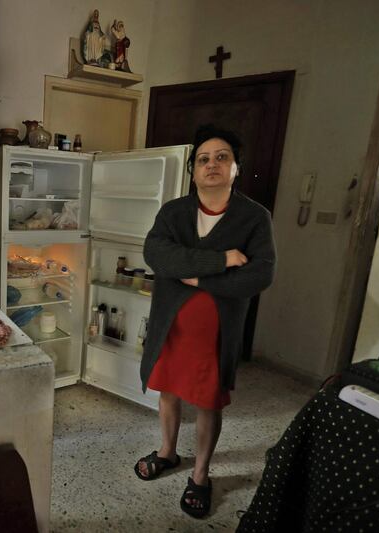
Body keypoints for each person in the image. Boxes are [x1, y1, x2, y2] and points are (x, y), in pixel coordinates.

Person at [134, 125, 276, 519]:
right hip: (171, 324)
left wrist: (195, 277)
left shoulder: (254, 218)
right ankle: (167, 452)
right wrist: (221, 260)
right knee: (168, 392)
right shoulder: (174, 212)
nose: (212, 164)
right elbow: (157, 255)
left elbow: (260, 275)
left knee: (208, 401)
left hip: (216, 330)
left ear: (236, 169)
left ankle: (200, 475)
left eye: (222, 157)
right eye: (203, 158)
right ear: (193, 170)